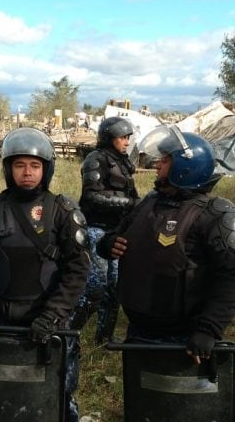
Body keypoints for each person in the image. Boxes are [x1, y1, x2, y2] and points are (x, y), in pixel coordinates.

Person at [0, 127, 89, 421]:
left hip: (50, 325)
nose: (27, 172)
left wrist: (51, 315)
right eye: (19, 165)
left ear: (46, 169)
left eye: (35, 165)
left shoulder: (63, 210)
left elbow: (78, 270)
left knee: (60, 398)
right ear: (7, 168)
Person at [98, 126, 235, 364]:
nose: (157, 165)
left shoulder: (216, 214)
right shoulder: (150, 202)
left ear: (185, 168)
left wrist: (209, 329)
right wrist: (108, 244)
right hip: (139, 331)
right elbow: (118, 236)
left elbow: (233, 276)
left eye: (166, 161)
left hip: (186, 338)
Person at [74, 116, 139, 344]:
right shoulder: (95, 159)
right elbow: (91, 196)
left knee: (115, 289)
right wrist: (129, 204)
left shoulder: (122, 161)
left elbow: (132, 195)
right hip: (95, 230)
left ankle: (104, 339)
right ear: (109, 138)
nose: (127, 142)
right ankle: (69, 333)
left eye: (128, 138)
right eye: (123, 137)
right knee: (95, 287)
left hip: (117, 231)